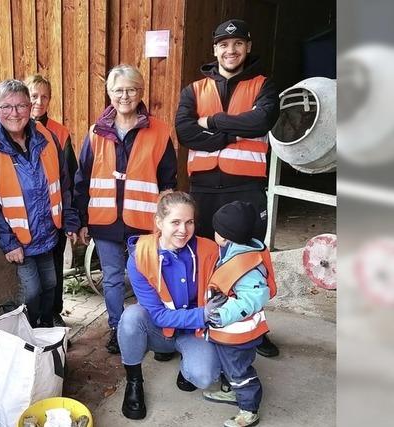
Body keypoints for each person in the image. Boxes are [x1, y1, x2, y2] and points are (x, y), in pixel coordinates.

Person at [174, 18, 280, 358]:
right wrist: (236, 131)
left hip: (246, 189)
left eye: (237, 44)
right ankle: (205, 323)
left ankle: (255, 327)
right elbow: (185, 132)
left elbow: (261, 120)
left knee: (249, 260)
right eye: (223, 44)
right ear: (215, 49)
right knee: (204, 258)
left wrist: (215, 123)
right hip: (204, 189)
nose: (230, 50)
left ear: (247, 47)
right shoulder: (193, 90)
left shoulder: (264, 85)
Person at [74, 64, 178, 354]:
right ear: (109, 94)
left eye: (131, 89)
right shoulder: (96, 132)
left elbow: (168, 180)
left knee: (148, 277)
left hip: (144, 223)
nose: (125, 96)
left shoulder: (158, 130)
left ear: (141, 92)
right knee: (112, 278)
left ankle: (153, 328)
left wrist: (167, 224)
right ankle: (117, 328)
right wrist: (82, 219)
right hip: (105, 221)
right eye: (118, 90)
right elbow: (82, 178)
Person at [118, 190, 227, 420]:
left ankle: (187, 363)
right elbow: (157, 315)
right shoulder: (141, 255)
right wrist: (203, 314)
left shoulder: (208, 251)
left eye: (189, 222)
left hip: (195, 333)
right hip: (161, 331)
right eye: (175, 222)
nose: (183, 230)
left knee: (205, 377)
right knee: (131, 316)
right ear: (159, 222)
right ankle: (134, 382)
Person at [0, 79, 79, 328]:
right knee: (31, 292)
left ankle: (46, 333)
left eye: (21, 106)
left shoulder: (46, 137)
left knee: (50, 285)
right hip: (18, 240)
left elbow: (63, 182)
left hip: (47, 233)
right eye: (6, 107)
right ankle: (29, 336)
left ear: (30, 107)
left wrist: (69, 219)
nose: (14, 113)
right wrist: (8, 242)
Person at [201, 201, 277, 427]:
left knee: (240, 371)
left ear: (224, 236)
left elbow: (254, 297)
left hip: (239, 331)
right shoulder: (232, 251)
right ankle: (232, 391)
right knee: (229, 366)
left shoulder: (246, 264)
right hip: (227, 331)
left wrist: (224, 315)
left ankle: (248, 409)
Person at [24, 74, 79, 328]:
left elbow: (70, 178)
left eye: (44, 96)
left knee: (54, 269)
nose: (39, 101)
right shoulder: (12, 130)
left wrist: (71, 219)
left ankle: (54, 311)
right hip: (27, 218)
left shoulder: (59, 132)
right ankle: (31, 317)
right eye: (34, 96)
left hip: (54, 215)